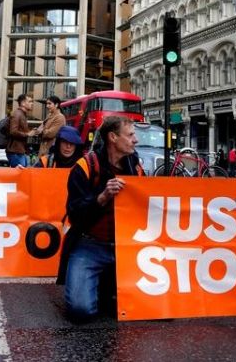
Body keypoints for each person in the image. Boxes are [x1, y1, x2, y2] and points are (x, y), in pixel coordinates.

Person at [57, 116, 143, 323]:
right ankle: (104, 284)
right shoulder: (85, 166)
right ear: (113, 137)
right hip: (90, 245)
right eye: (130, 135)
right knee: (81, 311)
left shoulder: (136, 167)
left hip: (126, 248)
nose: (136, 140)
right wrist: (102, 197)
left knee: (156, 304)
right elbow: (75, 214)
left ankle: (106, 285)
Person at [5, 94, 34, 168]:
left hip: (19, 151)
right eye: (30, 101)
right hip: (15, 152)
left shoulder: (22, 114)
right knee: (20, 177)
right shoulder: (17, 114)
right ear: (23, 103)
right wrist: (27, 134)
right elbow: (13, 131)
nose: (32, 103)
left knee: (22, 177)